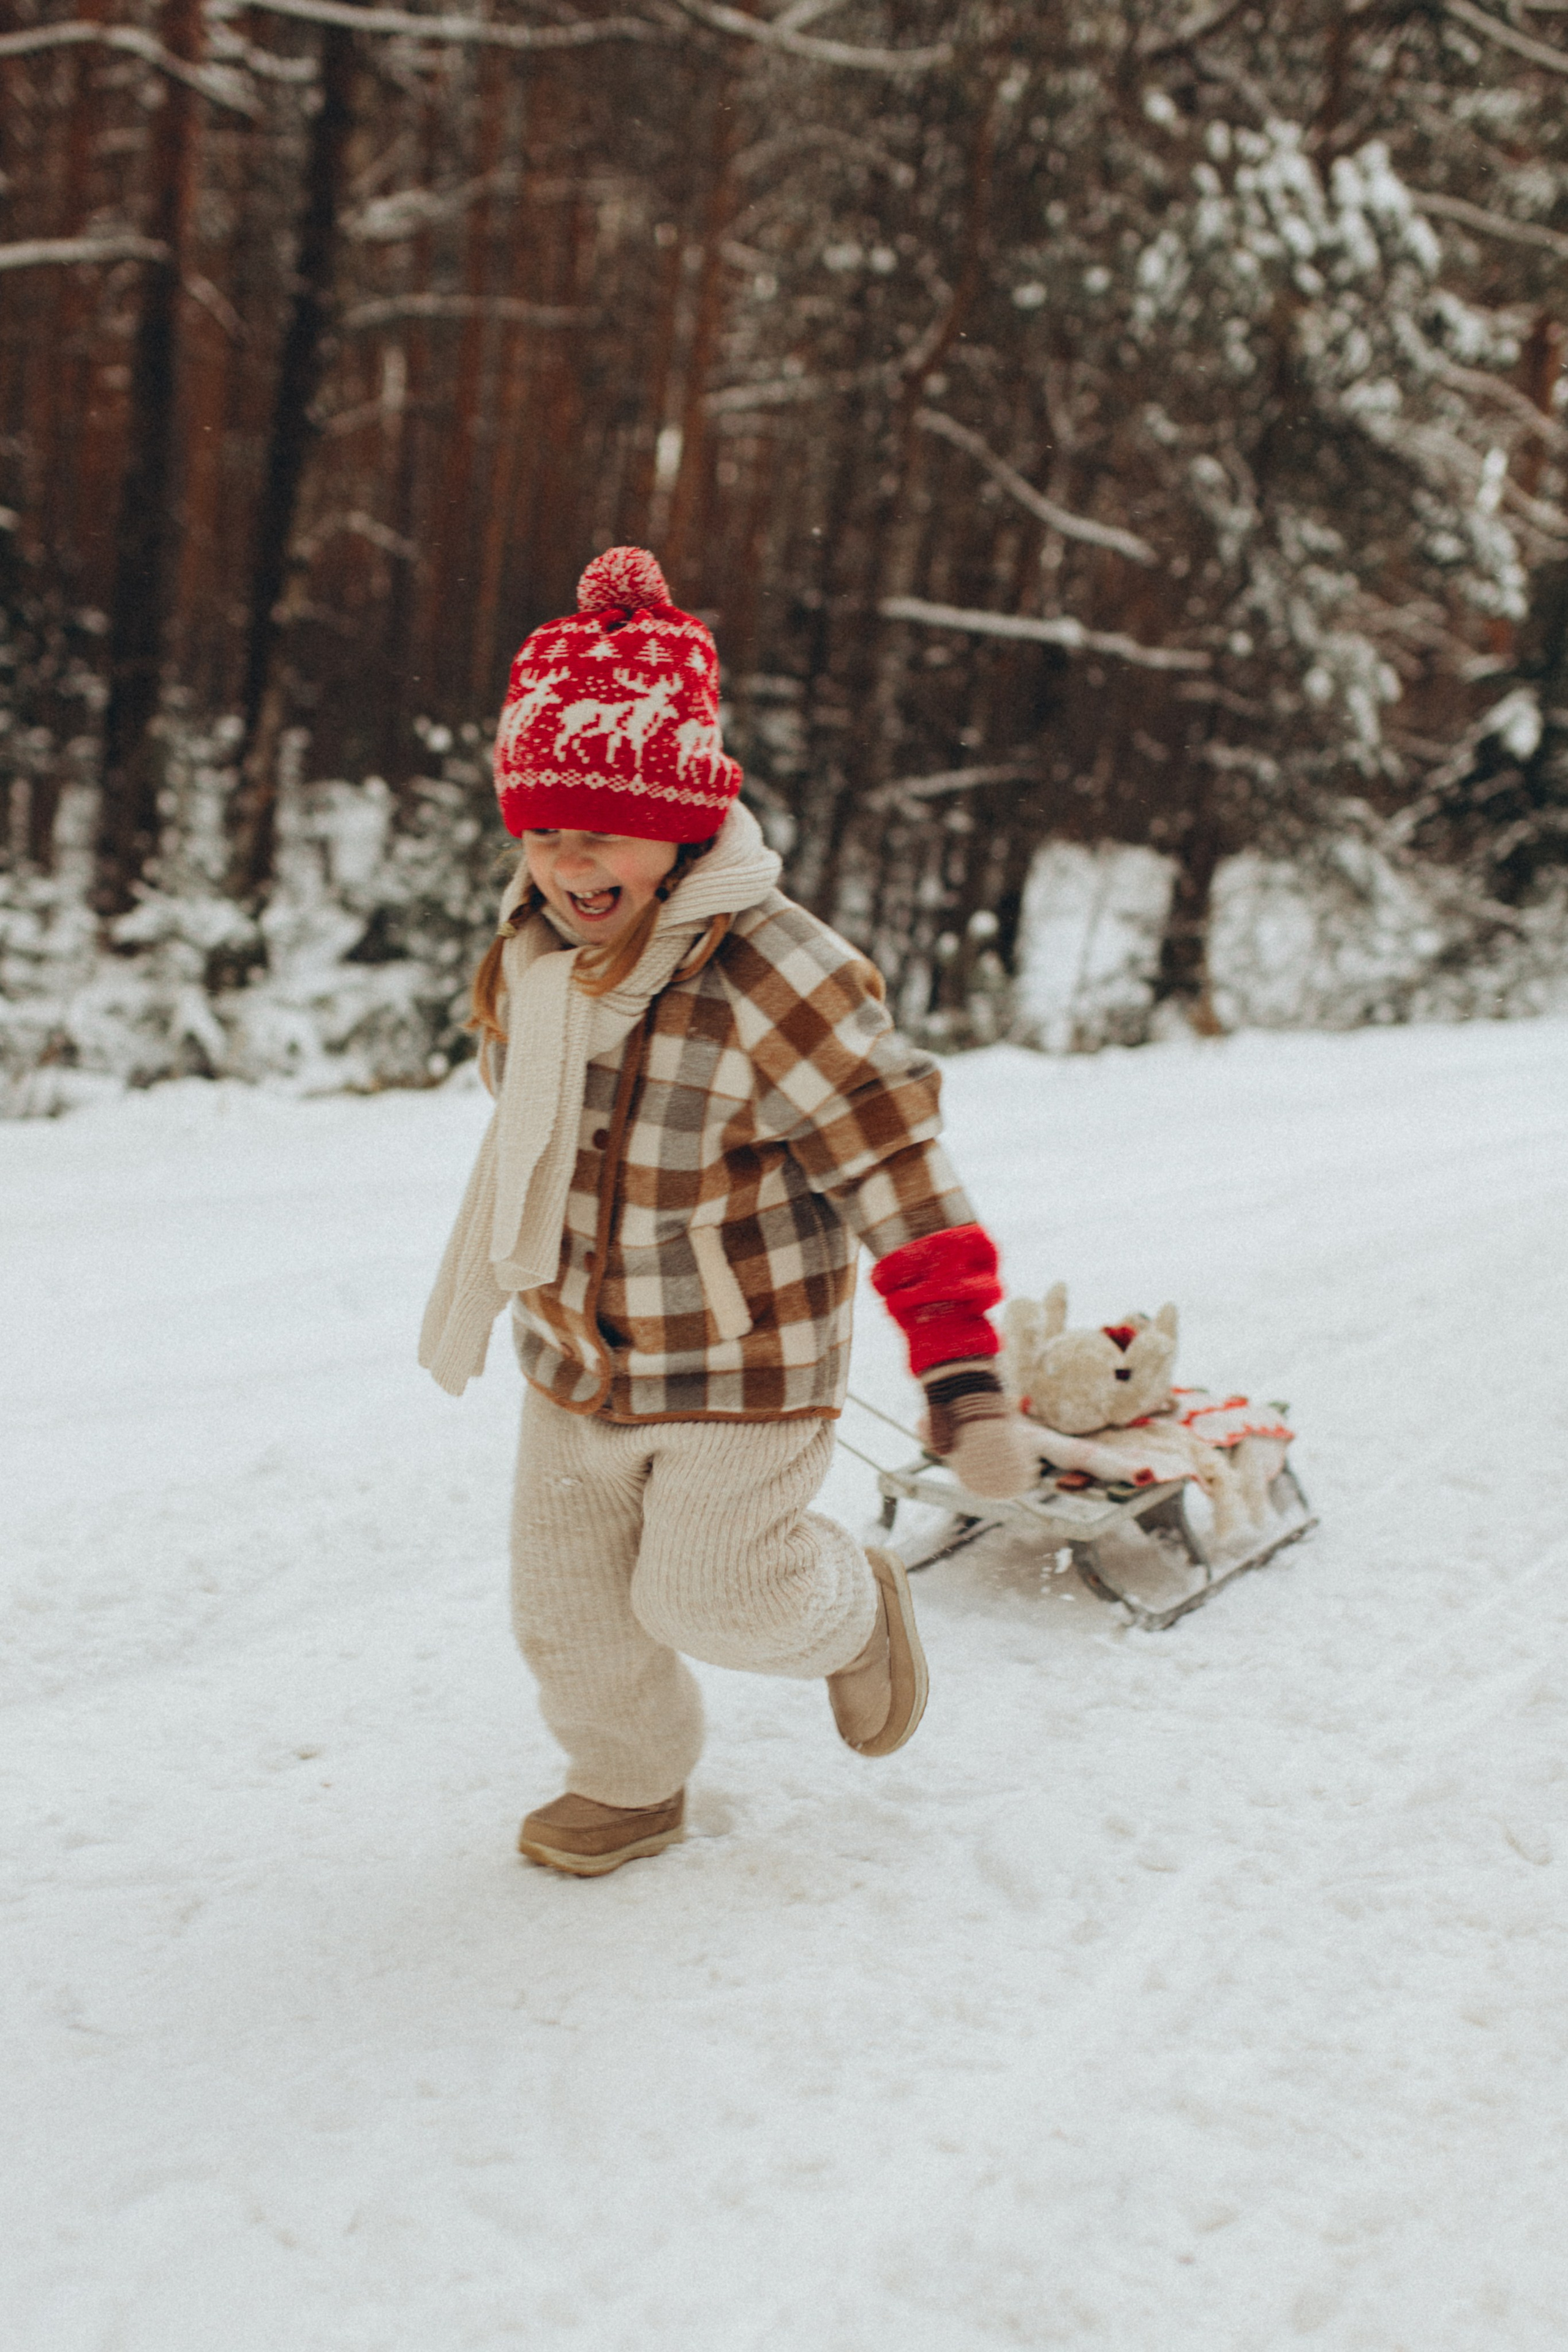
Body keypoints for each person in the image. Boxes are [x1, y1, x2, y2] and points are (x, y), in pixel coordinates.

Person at [420, 546, 1038, 1877]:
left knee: (713, 1595)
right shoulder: (541, 953)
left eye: (600, 826)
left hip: (739, 1365)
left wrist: (963, 1371)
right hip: (574, 1356)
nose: (564, 856)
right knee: (568, 1617)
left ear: (684, 824)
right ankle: (631, 1782)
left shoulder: (777, 971)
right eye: (538, 826)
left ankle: (855, 1614)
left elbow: (895, 1158)